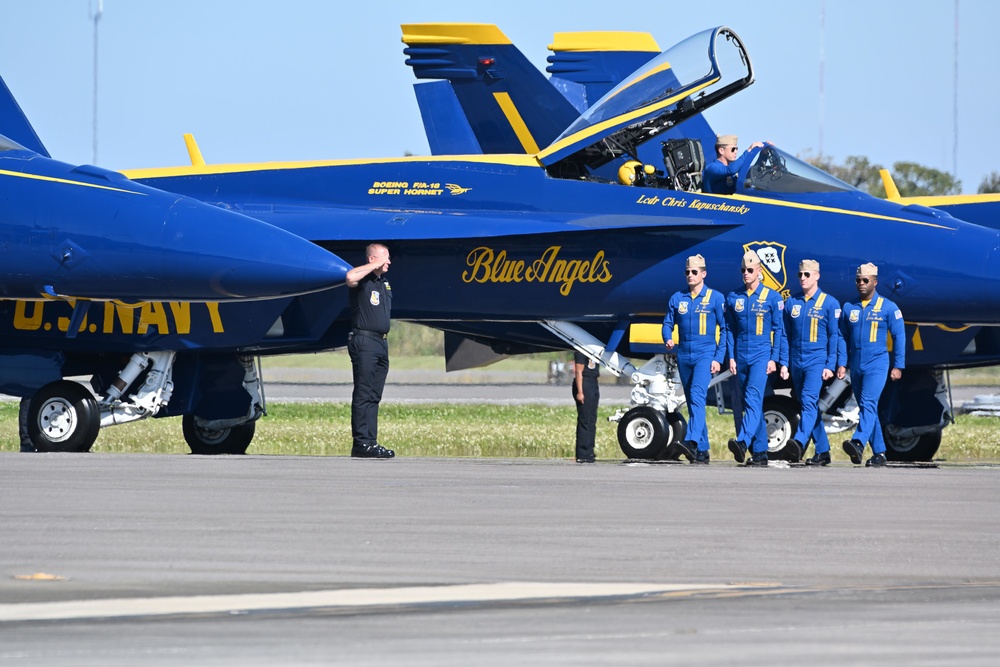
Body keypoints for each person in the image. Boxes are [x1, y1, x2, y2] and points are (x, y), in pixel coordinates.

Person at [661, 254, 727, 464]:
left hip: (704, 354)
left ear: (704, 274)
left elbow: (725, 329)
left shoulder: (716, 298)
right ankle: (704, 450)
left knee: (697, 396)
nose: (690, 275)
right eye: (687, 272)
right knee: (692, 402)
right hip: (684, 354)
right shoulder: (677, 298)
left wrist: (718, 357)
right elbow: (667, 323)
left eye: (694, 272)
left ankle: (691, 442)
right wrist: (668, 338)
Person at [778, 260, 844, 465]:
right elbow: (784, 334)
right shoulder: (792, 303)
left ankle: (798, 441)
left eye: (807, 275)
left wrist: (830, 365)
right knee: (808, 406)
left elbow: (835, 336)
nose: (803, 279)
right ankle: (823, 451)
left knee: (808, 400)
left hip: (817, 360)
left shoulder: (830, 303)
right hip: (796, 361)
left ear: (817, 276)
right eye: (800, 275)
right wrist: (784, 363)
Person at [839, 262, 905, 467]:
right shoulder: (849, 308)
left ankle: (858, 442)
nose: (861, 284)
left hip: (877, 363)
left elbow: (899, 336)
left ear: (875, 282)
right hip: (857, 364)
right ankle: (880, 453)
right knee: (869, 408)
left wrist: (898, 365)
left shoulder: (889, 307)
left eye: (865, 280)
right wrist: (842, 363)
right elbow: (842, 337)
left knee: (868, 404)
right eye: (858, 280)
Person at [725, 250, 784, 466]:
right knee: (750, 403)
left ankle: (742, 441)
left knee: (752, 398)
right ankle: (760, 452)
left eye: (750, 270)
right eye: (743, 270)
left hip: (761, 354)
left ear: (759, 271)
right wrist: (730, 357)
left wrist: (774, 358)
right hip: (740, 355)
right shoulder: (734, 297)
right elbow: (729, 329)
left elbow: (779, 330)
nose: (746, 274)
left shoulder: (772, 298)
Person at [345, 243, 395, 459]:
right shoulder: (363, 280)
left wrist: (379, 266)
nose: (389, 262)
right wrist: (372, 265)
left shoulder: (383, 283)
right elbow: (349, 277)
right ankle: (361, 443)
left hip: (381, 343)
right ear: (373, 258)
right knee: (364, 393)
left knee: (374, 395)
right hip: (364, 342)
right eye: (385, 258)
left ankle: (370, 442)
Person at [572, 351, 600, 463]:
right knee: (585, 419)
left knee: (592, 419)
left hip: (593, 382)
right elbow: (578, 372)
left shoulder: (595, 351)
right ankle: (583, 452)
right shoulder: (581, 352)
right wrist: (580, 392)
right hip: (584, 383)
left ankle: (589, 450)